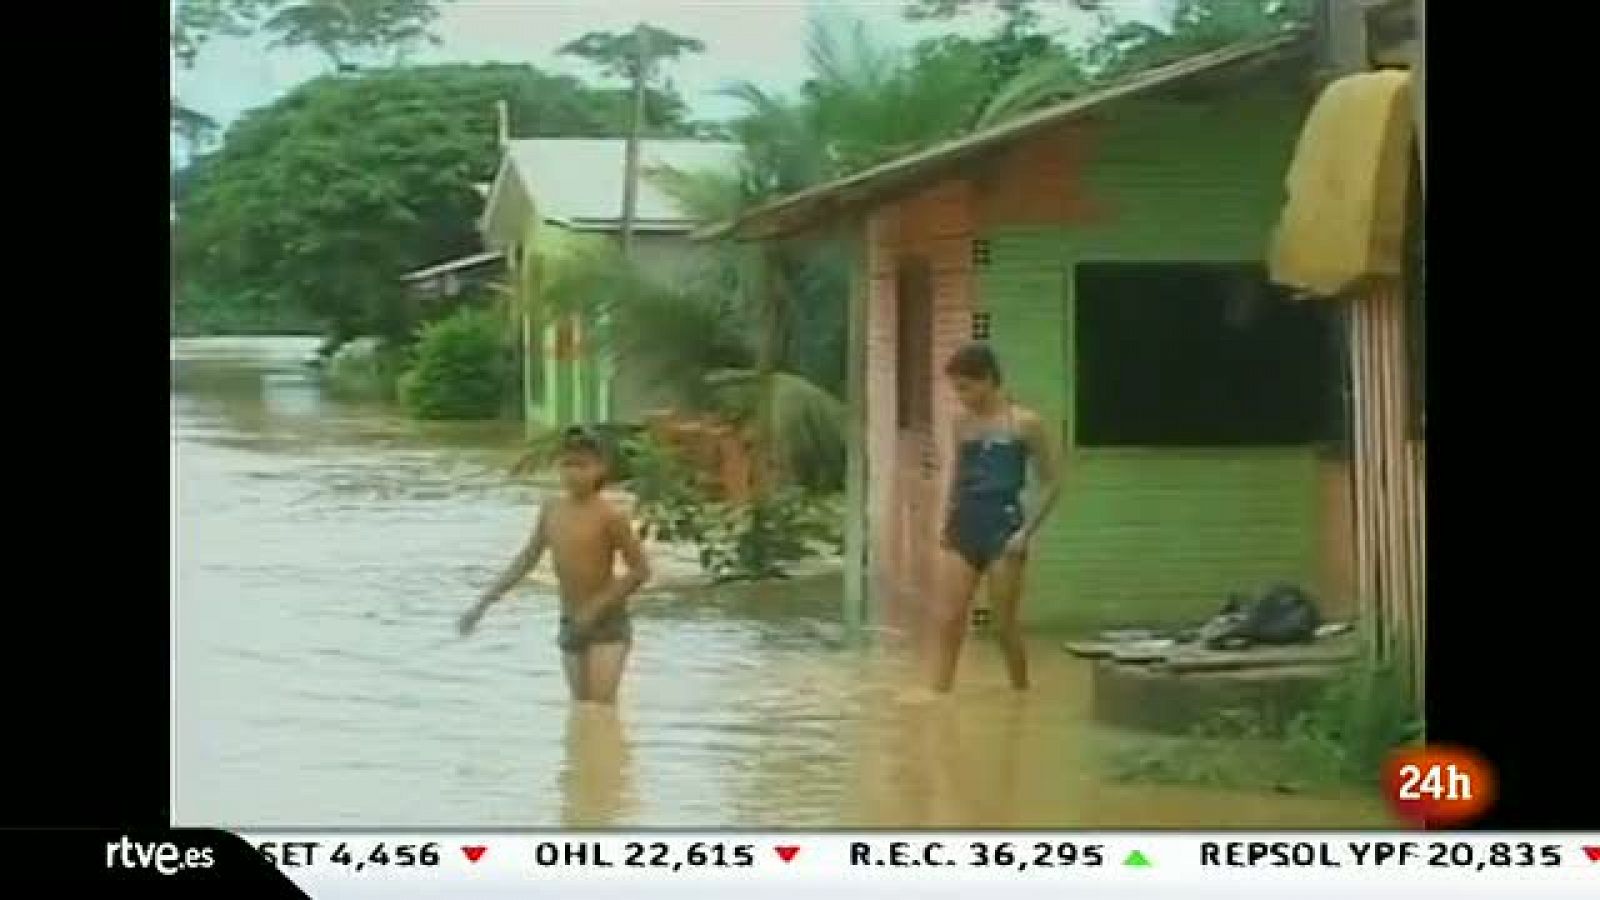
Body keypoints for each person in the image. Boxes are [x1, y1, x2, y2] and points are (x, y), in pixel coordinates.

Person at [459, 426, 652, 705]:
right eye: (567, 464)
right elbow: (526, 560)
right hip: (570, 619)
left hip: (607, 622)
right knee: (582, 710)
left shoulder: (610, 516)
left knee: (601, 707)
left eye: (582, 465)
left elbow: (640, 570)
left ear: (601, 469)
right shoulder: (552, 510)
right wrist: (482, 604)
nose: (573, 473)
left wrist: (595, 608)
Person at [929, 342, 1062, 693]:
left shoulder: (1025, 423)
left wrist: (1026, 533)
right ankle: (940, 696)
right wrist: (944, 518)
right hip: (965, 522)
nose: (961, 396)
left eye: (966, 387)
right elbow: (955, 472)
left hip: (1005, 526)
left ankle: (1021, 693)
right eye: (956, 388)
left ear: (988, 380)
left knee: (1003, 625)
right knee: (949, 618)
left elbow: (1052, 484)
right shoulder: (961, 423)